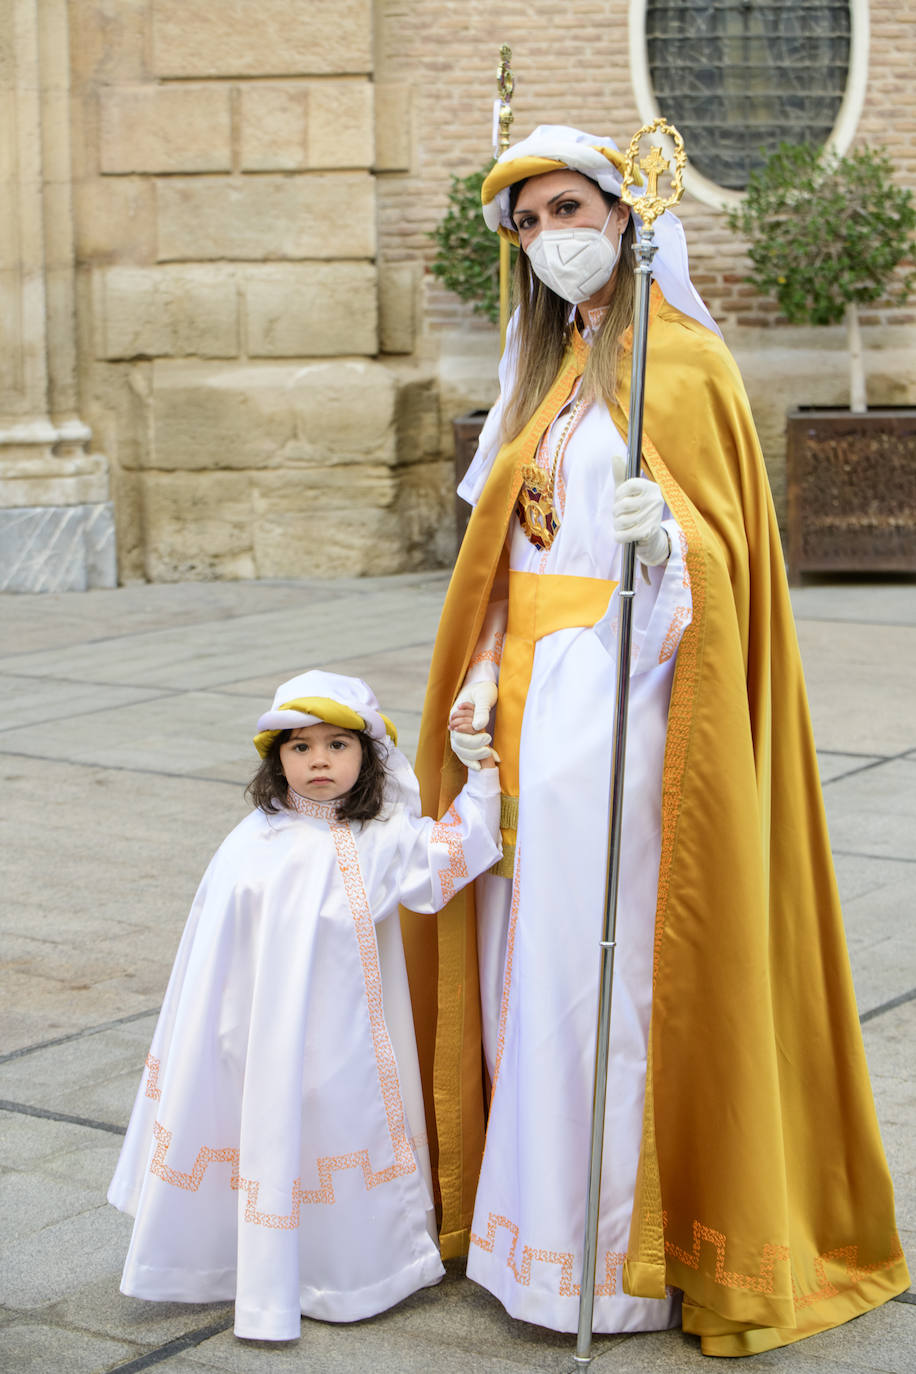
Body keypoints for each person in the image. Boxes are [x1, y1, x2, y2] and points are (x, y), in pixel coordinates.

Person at [401, 126, 909, 1356]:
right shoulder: (543, 371)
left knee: (609, 966)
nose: (546, 238)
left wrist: (670, 536)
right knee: (526, 965)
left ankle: (618, 1258)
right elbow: (504, 560)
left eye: (564, 209)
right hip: (527, 710)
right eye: (524, 225)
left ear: (623, 216)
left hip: (630, 711)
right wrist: (474, 677)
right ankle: (531, 1234)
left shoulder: (681, 367)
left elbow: (731, 565)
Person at [108, 670, 501, 1342]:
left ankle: (346, 1271)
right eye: (300, 747)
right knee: (261, 1132)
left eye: (337, 745)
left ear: (368, 755)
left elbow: (444, 864)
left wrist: (484, 776)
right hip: (254, 1038)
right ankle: (238, 1262)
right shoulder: (251, 843)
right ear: (277, 759)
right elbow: (214, 965)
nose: (318, 761)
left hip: (343, 1037)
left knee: (339, 1131)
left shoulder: (382, 834)